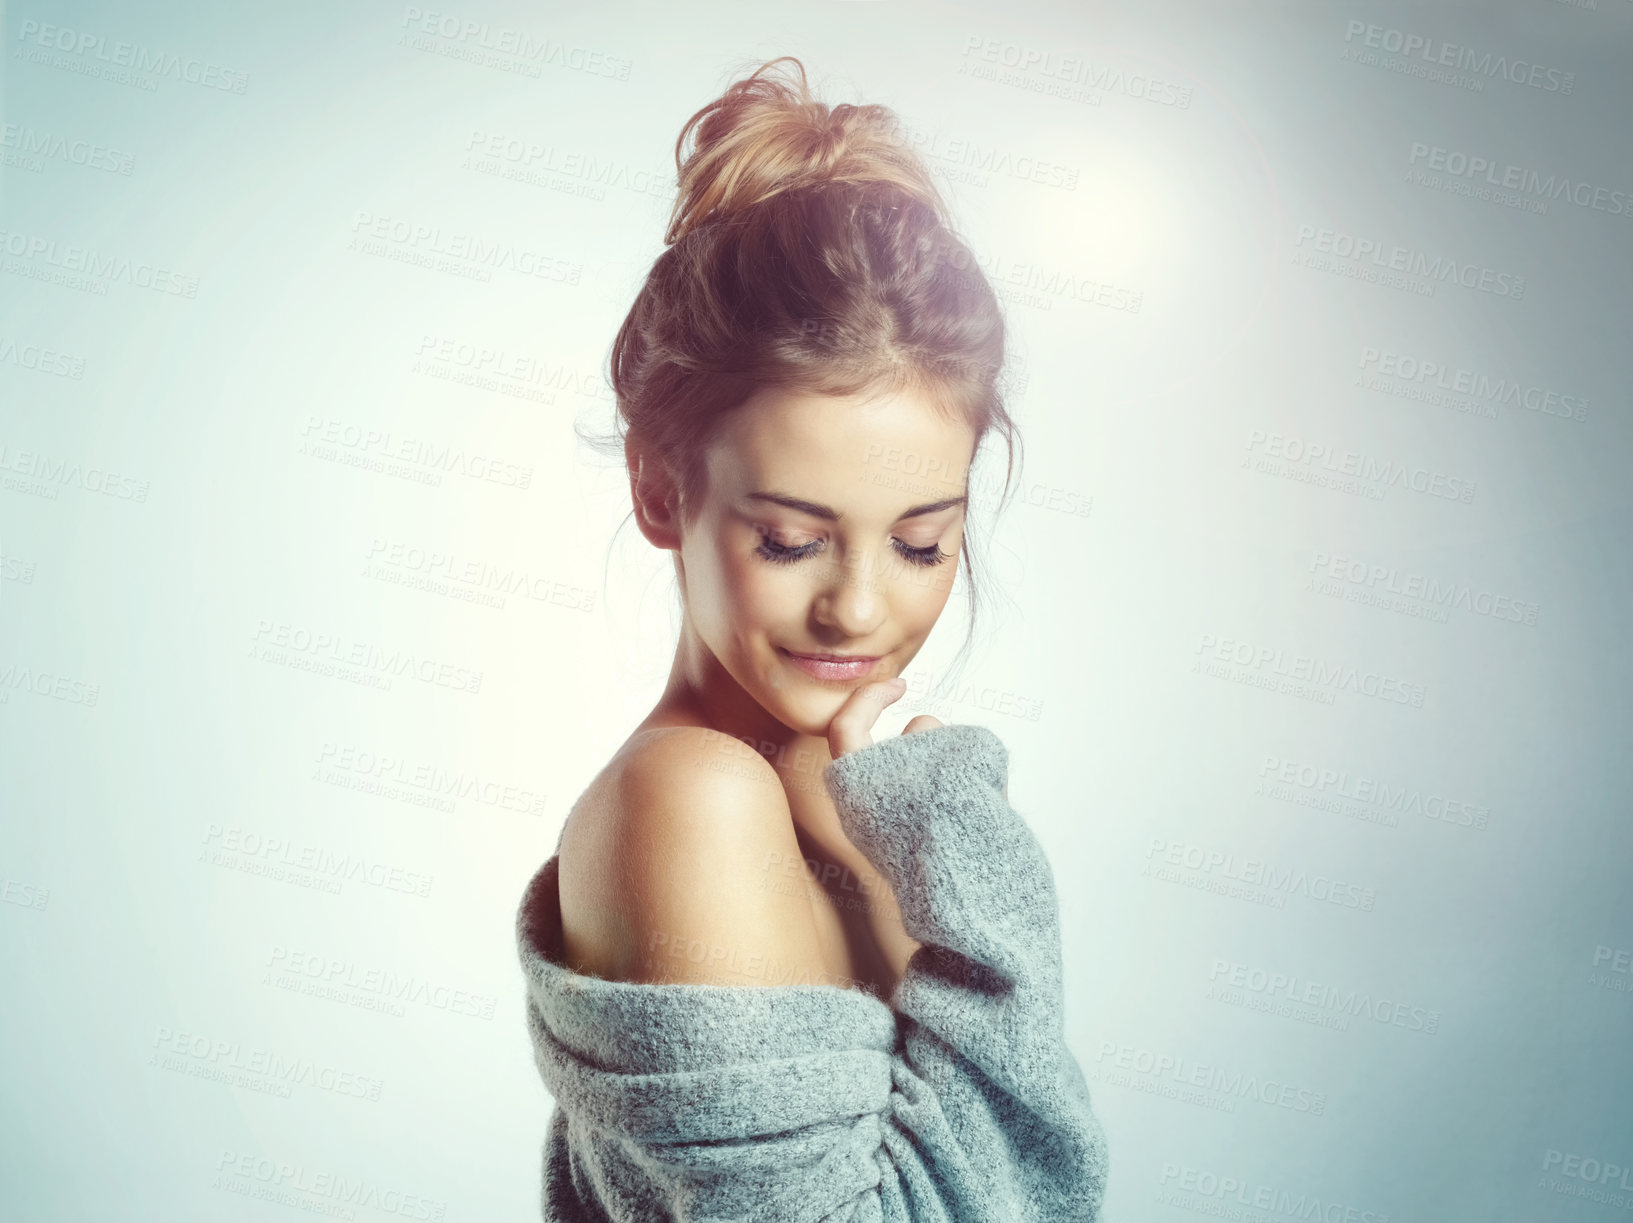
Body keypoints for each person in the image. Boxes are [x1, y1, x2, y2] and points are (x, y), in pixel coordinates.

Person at [516, 55, 1108, 1221]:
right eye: (791, 540)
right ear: (657, 486)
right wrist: (962, 848)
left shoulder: (846, 791)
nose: (859, 608)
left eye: (923, 543)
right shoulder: (688, 800)